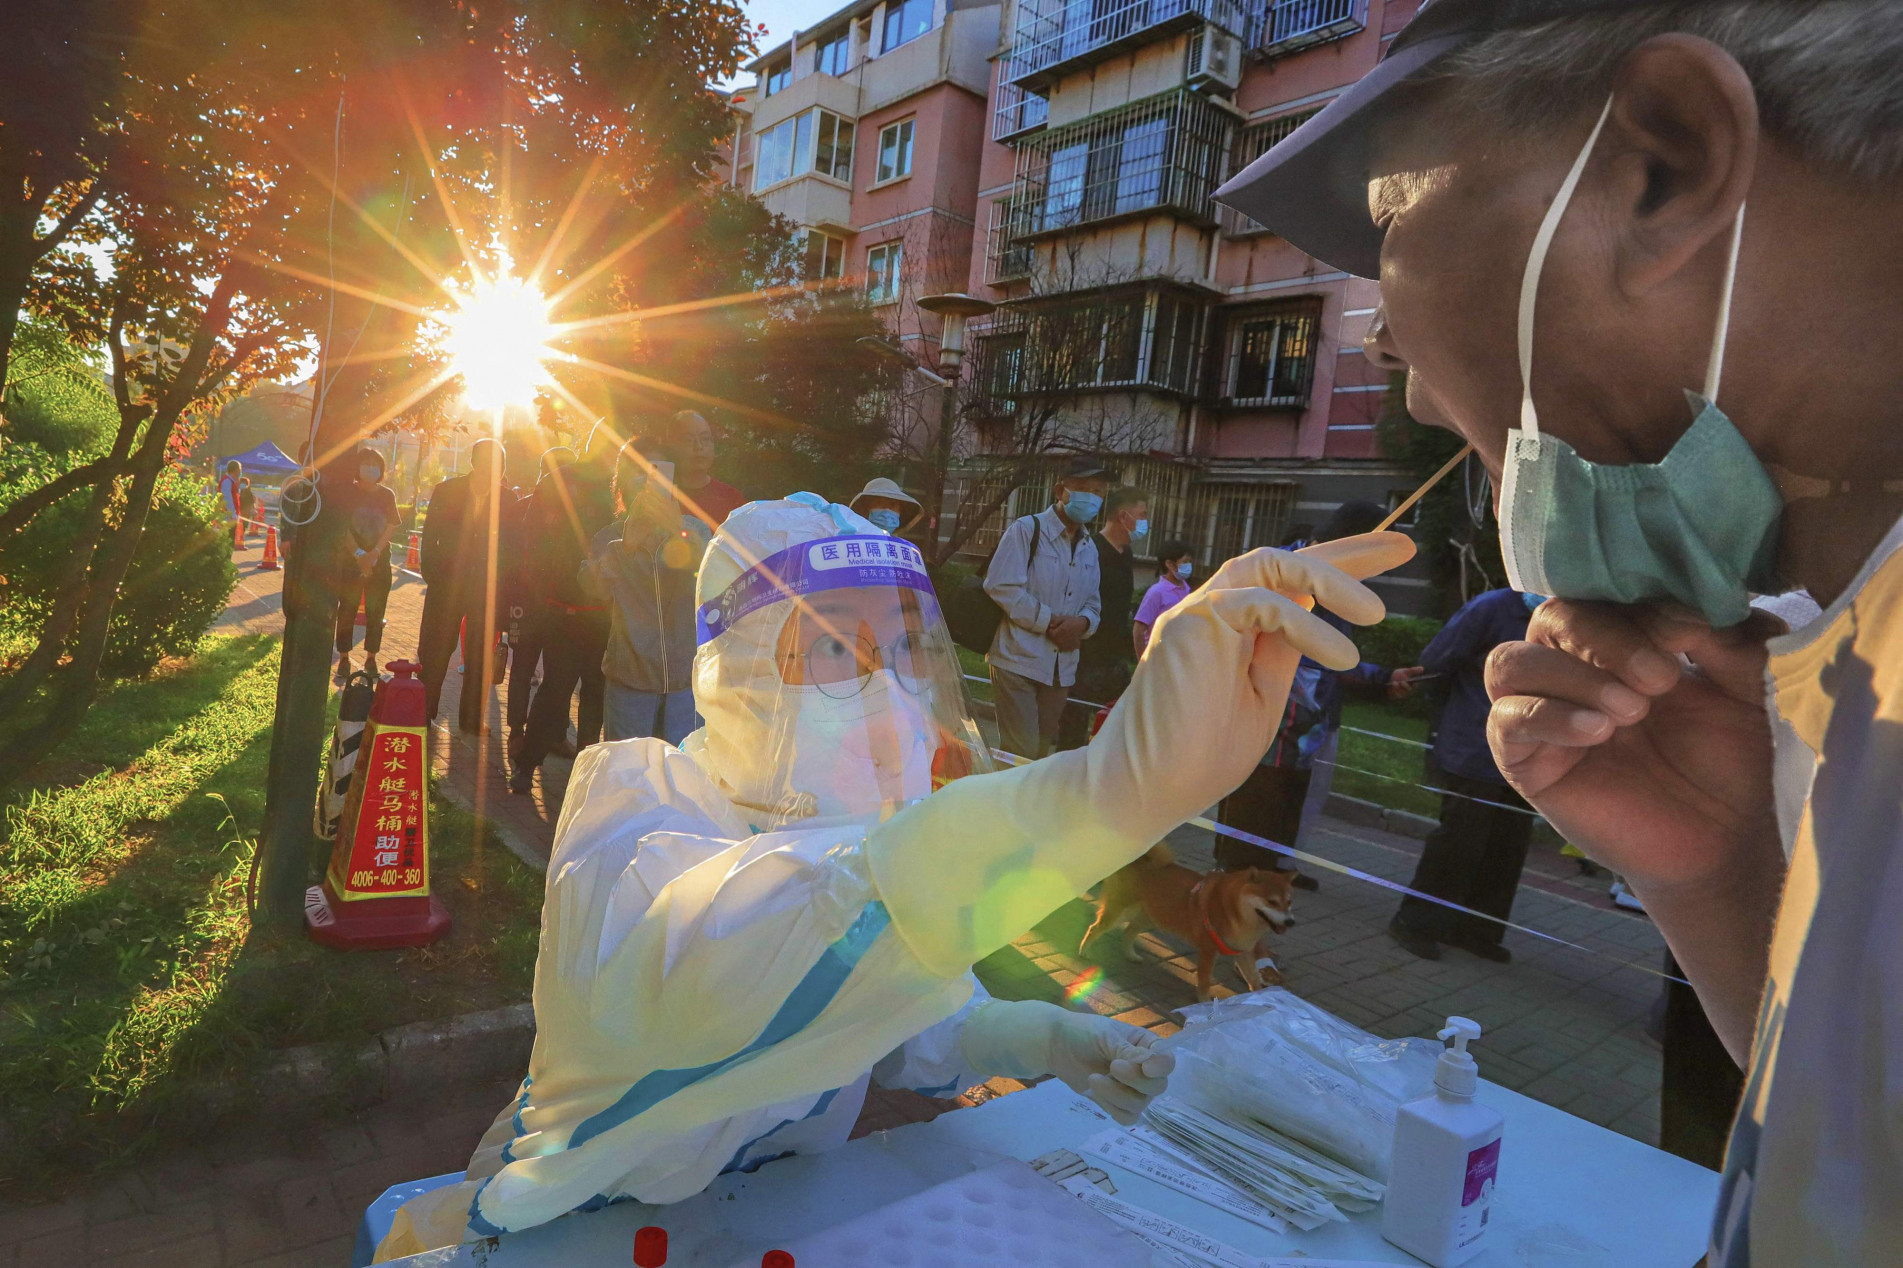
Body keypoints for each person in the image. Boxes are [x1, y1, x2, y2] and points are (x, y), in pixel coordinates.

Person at [1219, 0, 1903, 1258]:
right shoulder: (1838, 652)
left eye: (1390, 220)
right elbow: (1852, 1168)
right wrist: (1717, 871)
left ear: (1663, 166)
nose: (1397, 365)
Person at [371, 493, 1416, 1258]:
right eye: (831, 647)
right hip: (561, 1226)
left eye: (902, 647)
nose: (883, 686)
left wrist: (1023, 1032)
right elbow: (760, 950)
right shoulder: (637, 810)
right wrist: (1101, 797)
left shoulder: (870, 843)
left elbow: (890, 1011)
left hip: (760, 1217)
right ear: (732, 675)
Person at [1213, 502, 1421, 886]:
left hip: (1305, 731)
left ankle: (1272, 875)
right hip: (1264, 722)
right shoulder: (1279, 572)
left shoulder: (1334, 579)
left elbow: (1334, 654)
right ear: (1351, 543)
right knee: (1249, 819)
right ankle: (1228, 890)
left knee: (1283, 814)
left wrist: (1383, 677)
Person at [1387, 589, 1541, 964]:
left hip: (1528, 757)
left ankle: (1477, 929)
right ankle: (1416, 922)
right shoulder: (1492, 608)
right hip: (1475, 745)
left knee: (1507, 845)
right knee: (1460, 842)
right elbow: (1437, 662)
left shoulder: (1563, 619)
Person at [579, 440, 708, 746]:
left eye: (655, 473)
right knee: (631, 779)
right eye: (637, 472)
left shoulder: (695, 530)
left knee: (681, 777)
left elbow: (711, 578)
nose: (647, 481)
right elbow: (592, 587)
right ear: (622, 483)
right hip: (629, 683)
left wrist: (679, 531)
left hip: (685, 685)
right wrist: (627, 545)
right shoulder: (609, 537)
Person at [510, 438, 618, 790]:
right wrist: (544, 589)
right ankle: (526, 763)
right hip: (563, 610)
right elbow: (530, 539)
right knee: (555, 689)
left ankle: (584, 774)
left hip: (606, 613)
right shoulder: (559, 480)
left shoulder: (621, 485)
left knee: (596, 694)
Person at [983, 457, 1105, 759]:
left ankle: (1025, 806)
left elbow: (1093, 602)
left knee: (1039, 754)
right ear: (1060, 491)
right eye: (1082, 488)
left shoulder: (1090, 546)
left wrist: (1083, 625)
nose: (1090, 497)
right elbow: (1001, 585)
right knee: (1019, 753)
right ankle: (1002, 807)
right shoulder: (1026, 530)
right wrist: (1050, 621)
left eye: (1098, 492)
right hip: (1018, 658)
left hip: (1060, 667)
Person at [417, 438, 507, 732]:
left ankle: (470, 721)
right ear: (474, 462)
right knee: (435, 650)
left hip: (484, 589)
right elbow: (430, 535)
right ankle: (423, 711)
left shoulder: (507, 500)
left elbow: (511, 548)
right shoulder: (447, 491)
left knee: (479, 655)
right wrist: (432, 573)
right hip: (446, 583)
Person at [1058, 485, 1148, 749]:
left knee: (1121, 726)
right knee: (1073, 731)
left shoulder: (1126, 554)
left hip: (1114, 657)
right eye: (1141, 514)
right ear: (1123, 516)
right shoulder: (1091, 550)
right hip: (1086, 654)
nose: (1144, 522)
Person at [502, 447, 576, 760]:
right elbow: (506, 561)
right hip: (527, 606)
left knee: (558, 675)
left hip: (561, 608)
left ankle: (553, 734)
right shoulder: (520, 510)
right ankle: (517, 732)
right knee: (523, 669)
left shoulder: (575, 515)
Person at [334, 447, 400, 681]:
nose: (370, 468)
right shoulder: (347, 493)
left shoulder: (387, 495)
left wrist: (373, 554)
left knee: (376, 610)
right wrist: (359, 553)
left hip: (379, 562)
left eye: (375, 464)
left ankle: (371, 657)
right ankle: (343, 657)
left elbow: (392, 526)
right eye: (366, 463)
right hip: (350, 562)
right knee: (347, 609)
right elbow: (343, 528)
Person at [665, 409, 746, 531]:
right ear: (671, 446)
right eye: (689, 440)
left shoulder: (732, 499)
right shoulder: (663, 497)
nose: (699, 447)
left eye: (705, 439)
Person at [1132, 538, 1194, 657]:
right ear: (1170, 564)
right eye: (1185, 562)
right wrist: (1143, 662)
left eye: (1190, 562)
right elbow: (1139, 630)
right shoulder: (1157, 592)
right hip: (1158, 658)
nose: (1189, 566)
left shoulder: (1187, 591)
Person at [847, 476, 922, 536]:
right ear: (864, 509)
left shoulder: (902, 550)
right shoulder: (846, 541)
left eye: (892, 505)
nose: (887, 510)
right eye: (880, 503)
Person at [236, 477, 257, 546]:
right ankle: (236, 540)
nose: (243, 485)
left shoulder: (249, 493)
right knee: (236, 527)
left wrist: (253, 510)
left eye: (245, 483)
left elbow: (252, 502)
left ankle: (240, 540)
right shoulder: (237, 491)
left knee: (244, 526)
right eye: (242, 483)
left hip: (246, 514)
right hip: (237, 513)